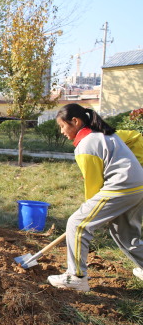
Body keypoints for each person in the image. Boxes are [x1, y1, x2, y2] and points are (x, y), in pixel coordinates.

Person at [47, 103, 143, 291]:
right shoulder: (103, 133)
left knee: (77, 224)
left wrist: (91, 216)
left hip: (121, 187)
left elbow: (93, 187)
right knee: (126, 236)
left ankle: (76, 277)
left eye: (62, 126)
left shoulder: (86, 145)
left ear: (75, 121)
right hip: (138, 185)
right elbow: (135, 138)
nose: (62, 131)